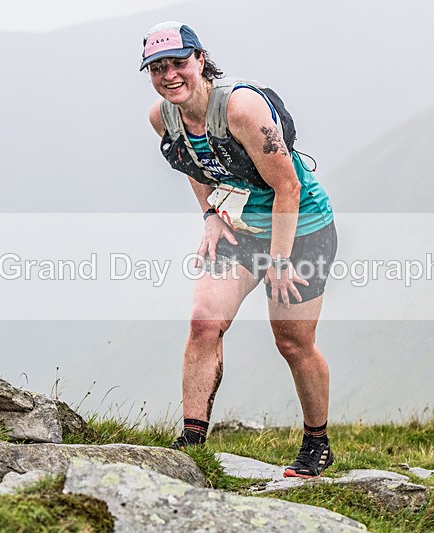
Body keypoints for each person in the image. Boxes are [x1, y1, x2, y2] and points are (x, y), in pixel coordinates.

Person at [141, 21, 338, 478]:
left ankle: (317, 443)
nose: (170, 75)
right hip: (240, 228)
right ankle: (191, 444)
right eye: (157, 67)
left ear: (201, 60)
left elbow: (287, 186)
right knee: (203, 320)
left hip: (301, 226)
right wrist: (210, 214)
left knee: (292, 341)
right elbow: (190, 161)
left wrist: (282, 259)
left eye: (178, 63)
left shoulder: (242, 108)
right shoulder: (162, 116)